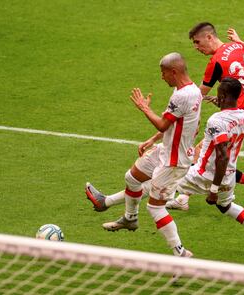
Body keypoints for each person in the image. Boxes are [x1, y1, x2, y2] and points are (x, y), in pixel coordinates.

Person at [86, 52, 202, 257]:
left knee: (156, 208)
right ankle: (130, 218)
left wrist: (144, 108)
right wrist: (152, 140)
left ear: (173, 72)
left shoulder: (181, 95)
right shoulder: (191, 90)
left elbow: (163, 123)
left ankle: (181, 254)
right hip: (165, 150)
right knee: (132, 177)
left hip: (174, 161)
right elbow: (175, 123)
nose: (161, 77)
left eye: (163, 73)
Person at [174, 77, 244, 256]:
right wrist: (222, 107)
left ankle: (128, 214)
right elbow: (231, 121)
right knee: (225, 206)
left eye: (219, 94)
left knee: (158, 181)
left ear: (224, 95)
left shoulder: (216, 121)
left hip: (204, 175)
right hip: (228, 177)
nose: (217, 97)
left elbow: (222, 156)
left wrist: (213, 190)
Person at [167, 23, 244, 210]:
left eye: (197, 42)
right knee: (211, 160)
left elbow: (197, 96)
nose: (196, 47)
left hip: (235, 119)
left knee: (205, 158)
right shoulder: (239, 47)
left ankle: (183, 198)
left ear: (209, 37)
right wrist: (241, 42)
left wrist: (182, 103)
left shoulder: (215, 62)